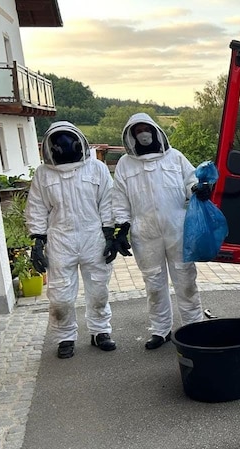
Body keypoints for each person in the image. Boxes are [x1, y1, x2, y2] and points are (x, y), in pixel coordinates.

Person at [113, 113, 209, 350]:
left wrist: (198, 188)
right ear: (132, 136)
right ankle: (160, 330)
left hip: (177, 228)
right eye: (138, 130)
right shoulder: (126, 164)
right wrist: (121, 227)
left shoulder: (174, 157)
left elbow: (191, 180)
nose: (143, 134)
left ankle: (193, 328)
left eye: (146, 128)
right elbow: (119, 198)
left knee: (186, 279)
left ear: (155, 131)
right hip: (144, 233)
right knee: (154, 284)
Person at [25, 121, 118, 359]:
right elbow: (36, 207)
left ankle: (100, 332)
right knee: (60, 295)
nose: (63, 145)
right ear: (50, 146)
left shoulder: (96, 168)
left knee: (98, 290)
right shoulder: (43, 174)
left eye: (67, 139)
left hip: (92, 236)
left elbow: (107, 201)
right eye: (58, 141)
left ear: (78, 141)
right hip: (60, 239)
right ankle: (65, 337)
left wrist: (109, 235)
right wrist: (37, 241)